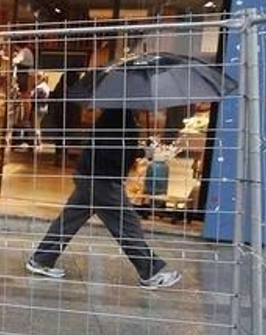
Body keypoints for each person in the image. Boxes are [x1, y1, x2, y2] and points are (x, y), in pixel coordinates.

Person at [26, 108, 181, 288]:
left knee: (68, 221)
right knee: (127, 224)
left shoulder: (114, 115)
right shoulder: (123, 118)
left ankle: (41, 259)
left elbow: (110, 147)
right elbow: (113, 151)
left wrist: (139, 150)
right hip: (103, 182)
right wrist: (141, 151)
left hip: (89, 177)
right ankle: (150, 272)